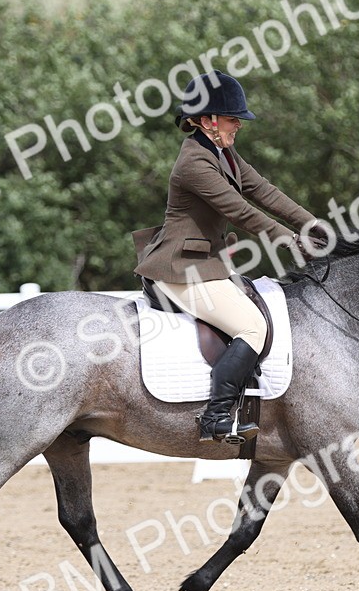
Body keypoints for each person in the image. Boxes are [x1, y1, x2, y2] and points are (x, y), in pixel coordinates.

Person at [132, 71, 323, 443]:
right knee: (252, 326)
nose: (239, 124)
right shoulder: (194, 162)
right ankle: (215, 417)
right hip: (180, 270)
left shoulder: (223, 152)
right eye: (233, 118)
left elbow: (263, 191)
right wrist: (287, 239)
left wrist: (311, 222)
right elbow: (240, 210)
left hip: (208, 265)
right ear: (208, 121)